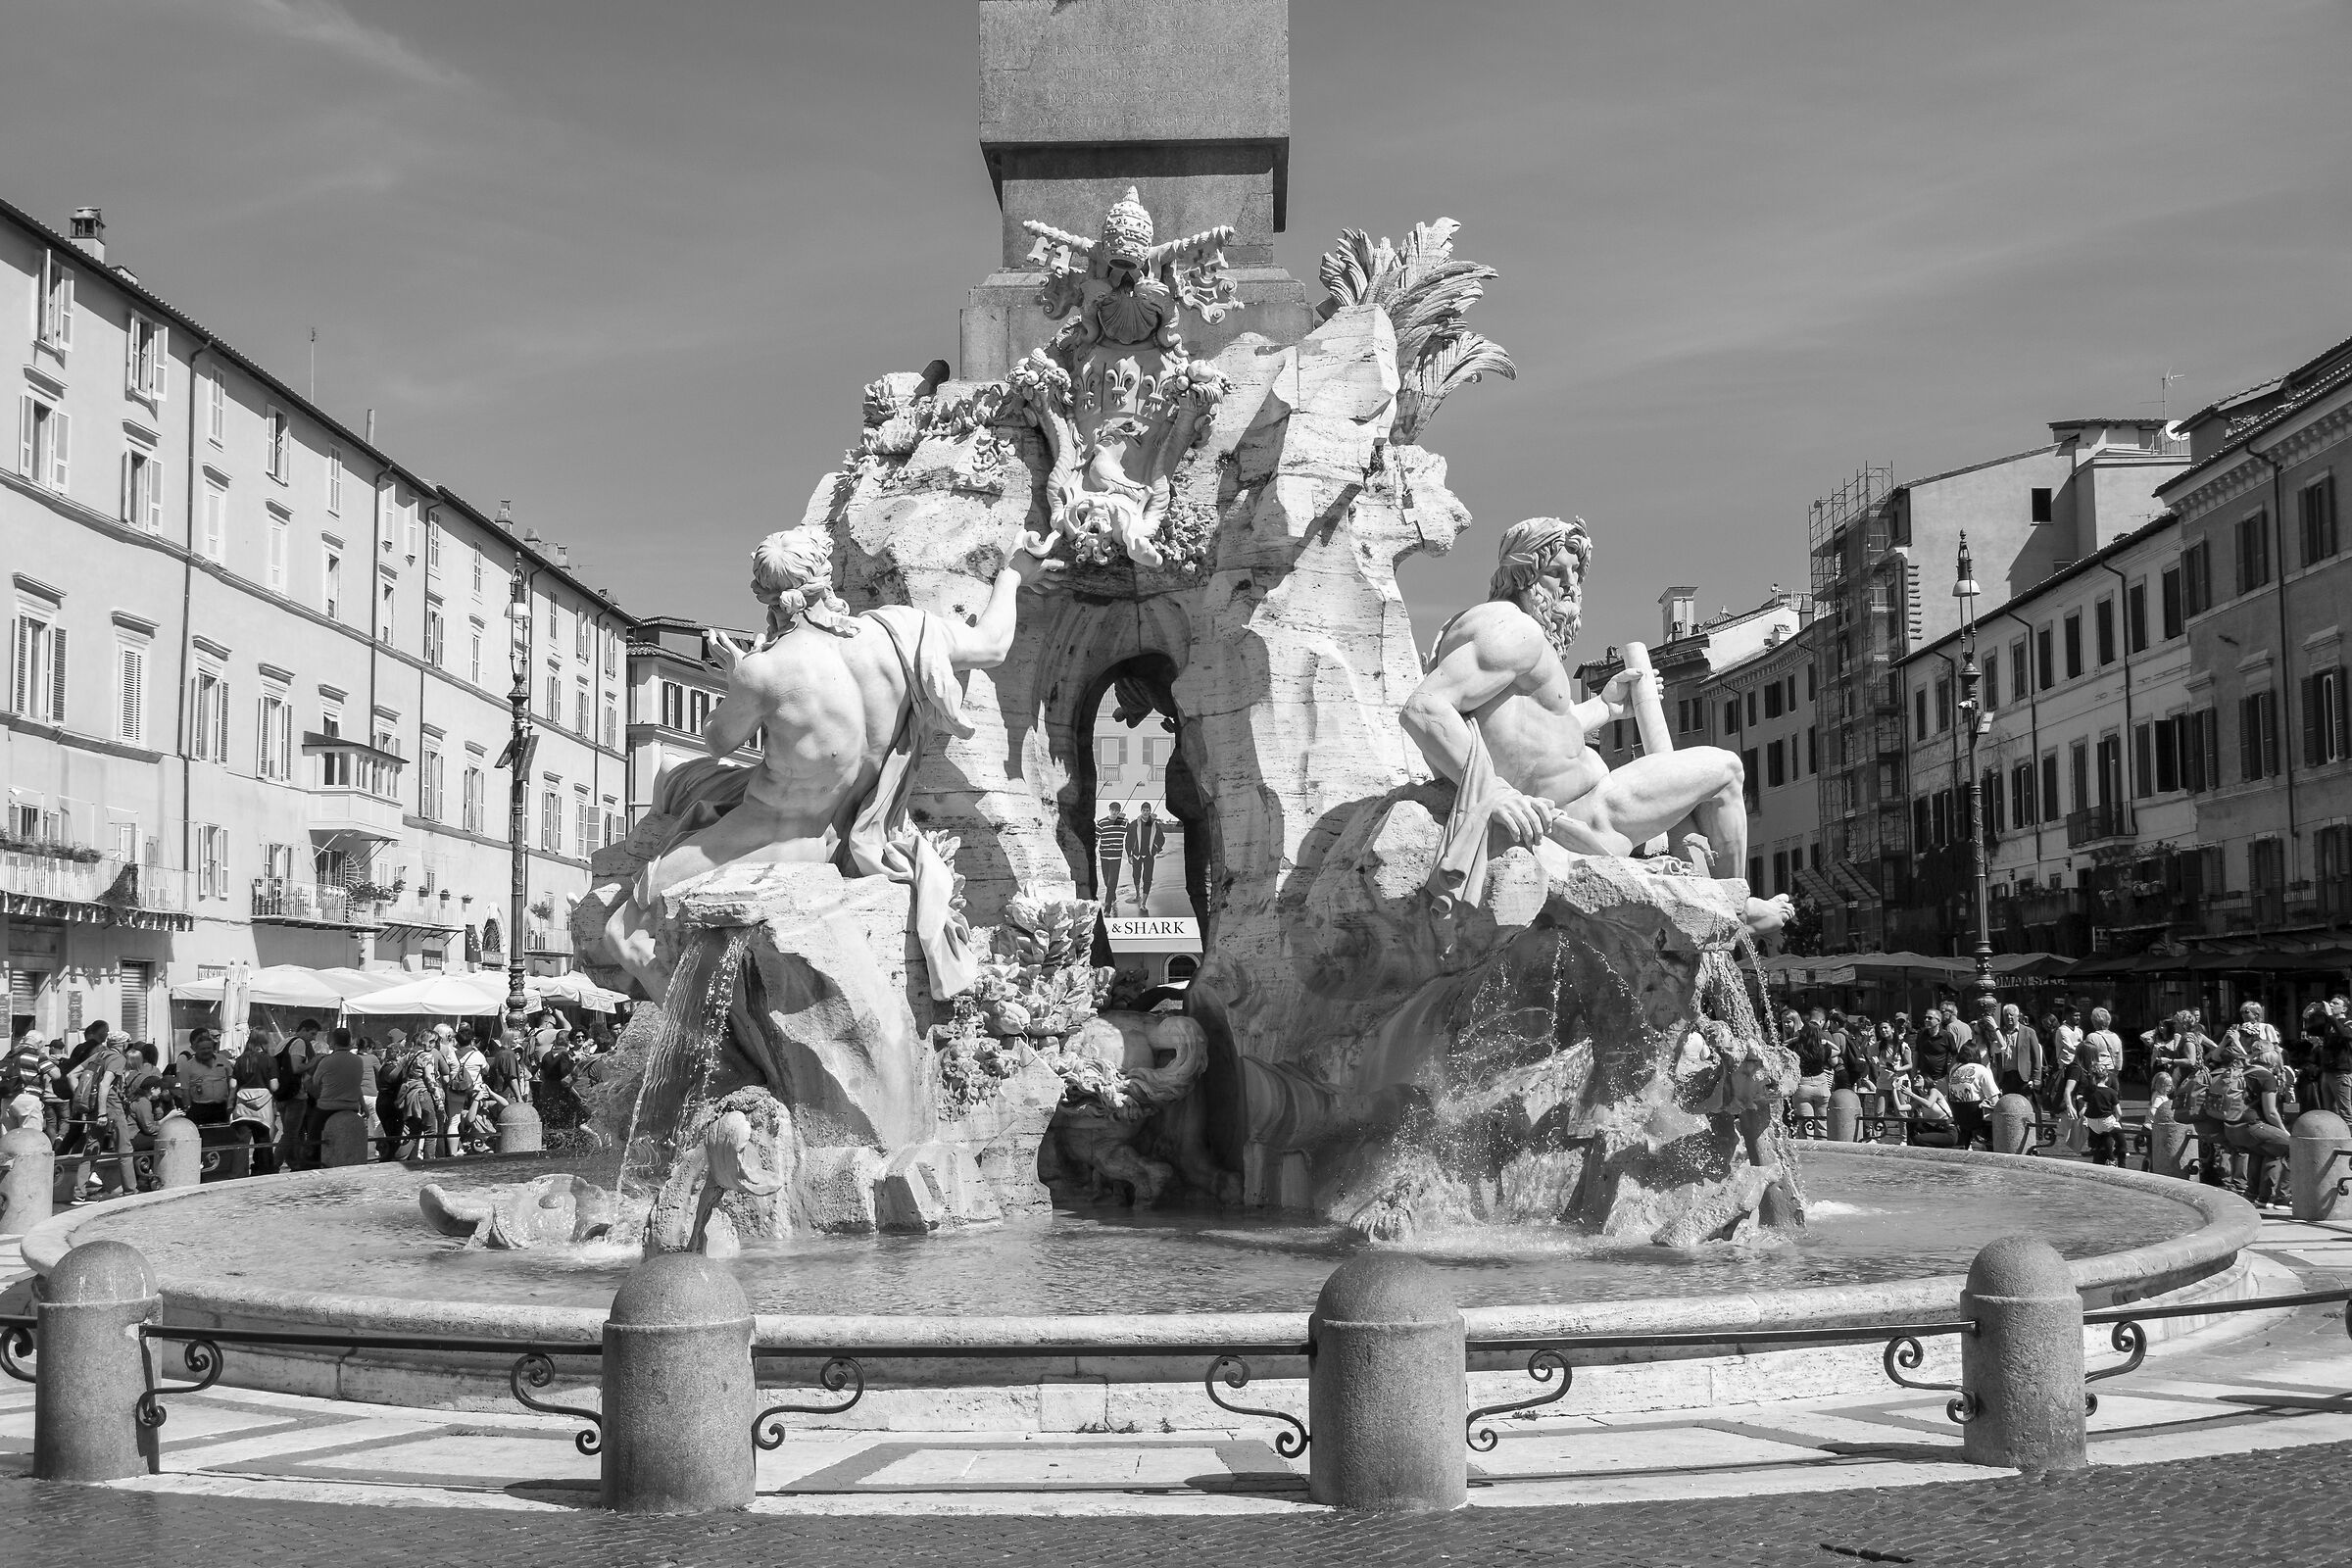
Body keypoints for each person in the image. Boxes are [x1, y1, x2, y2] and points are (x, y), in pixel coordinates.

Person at [1399, 516, 1793, 936]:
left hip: (1571, 808)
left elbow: (1542, 736)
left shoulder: (1503, 636)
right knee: (1727, 768)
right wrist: (1493, 793)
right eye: (1555, 573)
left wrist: (1605, 708)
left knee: (1697, 797)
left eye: (1576, 574)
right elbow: (1424, 709)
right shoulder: (1513, 631)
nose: (1570, 586)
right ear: (1522, 577)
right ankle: (1734, 903)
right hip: (1591, 813)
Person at [2230, 1045, 2296, 1207]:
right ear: (2272, 1060)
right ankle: (2283, 1197)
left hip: (2232, 1127)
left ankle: (2256, 1196)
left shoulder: (2244, 1072)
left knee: (2266, 1151)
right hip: (2251, 1126)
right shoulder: (2266, 1077)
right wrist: (2286, 1132)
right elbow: (2271, 1113)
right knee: (2295, 1147)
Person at [300, 1029, 369, 1164]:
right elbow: (355, 1086)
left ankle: (311, 1161)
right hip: (351, 1107)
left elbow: (315, 1082)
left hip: (327, 1107)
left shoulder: (327, 1061)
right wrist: (364, 1106)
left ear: (333, 1042)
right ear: (350, 1042)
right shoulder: (358, 1061)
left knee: (314, 1140)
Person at [274, 1018, 324, 1171]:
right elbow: (296, 1068)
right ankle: (273, 1164)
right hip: (295, 1095)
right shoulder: (299, 1043)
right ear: (303, 1030)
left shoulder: (283, 1042)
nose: (314, 1038)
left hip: (282, 1093)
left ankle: (294, 1163)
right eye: (312, 1034)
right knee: (290, 1133)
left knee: (292, 1133)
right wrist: (315, 1060)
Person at [229, 1029, 278, 1176]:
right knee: (263, 1140)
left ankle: (238, 1173)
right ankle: (263, 1172)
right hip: (263, 1107)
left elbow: (232, 1085)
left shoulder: (240, 1060)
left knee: (241, 1142)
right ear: (264, 1042)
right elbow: (274, 1086)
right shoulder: (269, 1060)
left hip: (243, 1105)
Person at [173, 1028, 234, 1126]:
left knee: (222, 1138)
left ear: (212, 1048)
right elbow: (185, 1092)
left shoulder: (222, 1060)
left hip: (221, 1108)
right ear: (196, 1049)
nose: (206, 1051)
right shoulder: (187, 1067)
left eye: (208, 1048)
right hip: (199, 1110)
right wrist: (189, 1109)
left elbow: (232, 1083)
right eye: (203, 1049)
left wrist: (230, 1105)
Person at [1944, 1042, 1998, 1152]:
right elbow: (1995, 1100)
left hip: (1959, 1117)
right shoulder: (1981, 1069)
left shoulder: (1953, 1070)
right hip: (1978, 1119)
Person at [1790, 1008, 1833, 1137]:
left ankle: (1807, 1154)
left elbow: (1781, 1048)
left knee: (1806, 1126)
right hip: (1821, 1085)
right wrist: (1826, 1042)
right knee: (1823, 1126)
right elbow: (1837, 1051)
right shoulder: (1823, 1049)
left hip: (1803, 1086)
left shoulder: (1794, 1049)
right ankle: (1823, 1154)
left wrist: (1794, 1040)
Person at [1892, 1068, 1956, 1147]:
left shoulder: (1933, 1091)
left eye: (1918, 1077)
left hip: (1948, 1130)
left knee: (1917, 1139)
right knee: (1912, 1125)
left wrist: (1911, 1094)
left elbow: (1929, 1104)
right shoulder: (1919, 1100)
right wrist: (1894, 1089)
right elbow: (1900, 1108)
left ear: (1925, 1080)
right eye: (1914, 1077)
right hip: (1936, 1130)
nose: (1915, 1079)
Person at [1993, 1004, 2043, 1101]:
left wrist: (2037, 1077)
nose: (2009, 1017)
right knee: (2009, 1104)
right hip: (2006, 1077)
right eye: (2006, 1015)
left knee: (2026, 1104)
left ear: (2017, 1016)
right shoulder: (2000, 1034)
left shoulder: (2029, 1032)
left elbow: (2036, 1056)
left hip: (2023, 1077)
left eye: (2011, 1015)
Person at [1125, 802, 1166, 913]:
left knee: (1147, 878)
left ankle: (1143, 903)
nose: (1146, 812)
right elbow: (1128, 840)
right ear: (1141, 811)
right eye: (1144, 810)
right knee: (1136, 875)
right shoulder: (1134, 824)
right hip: (1136, 855)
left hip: (1148, 855)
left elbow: (1161, 839)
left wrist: (1155, 848)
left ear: (1150, 811)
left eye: (1148, 810)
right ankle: (1138, 894)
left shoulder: (1153, 824)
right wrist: (1129, 855)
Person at [1096, 801, 1128, 910]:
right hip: (1104, 856)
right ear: (1109, 810)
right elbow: (1095, 838)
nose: (1114, 812)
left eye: (1116, 810)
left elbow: (1134, 832)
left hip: (1116, 856)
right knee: (1106, 881)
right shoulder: (1102, 822)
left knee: (1112, 881)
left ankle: (1107, 907)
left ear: (1119, 811)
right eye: (1112, 810)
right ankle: (1113, 896)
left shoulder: (1123, 823)